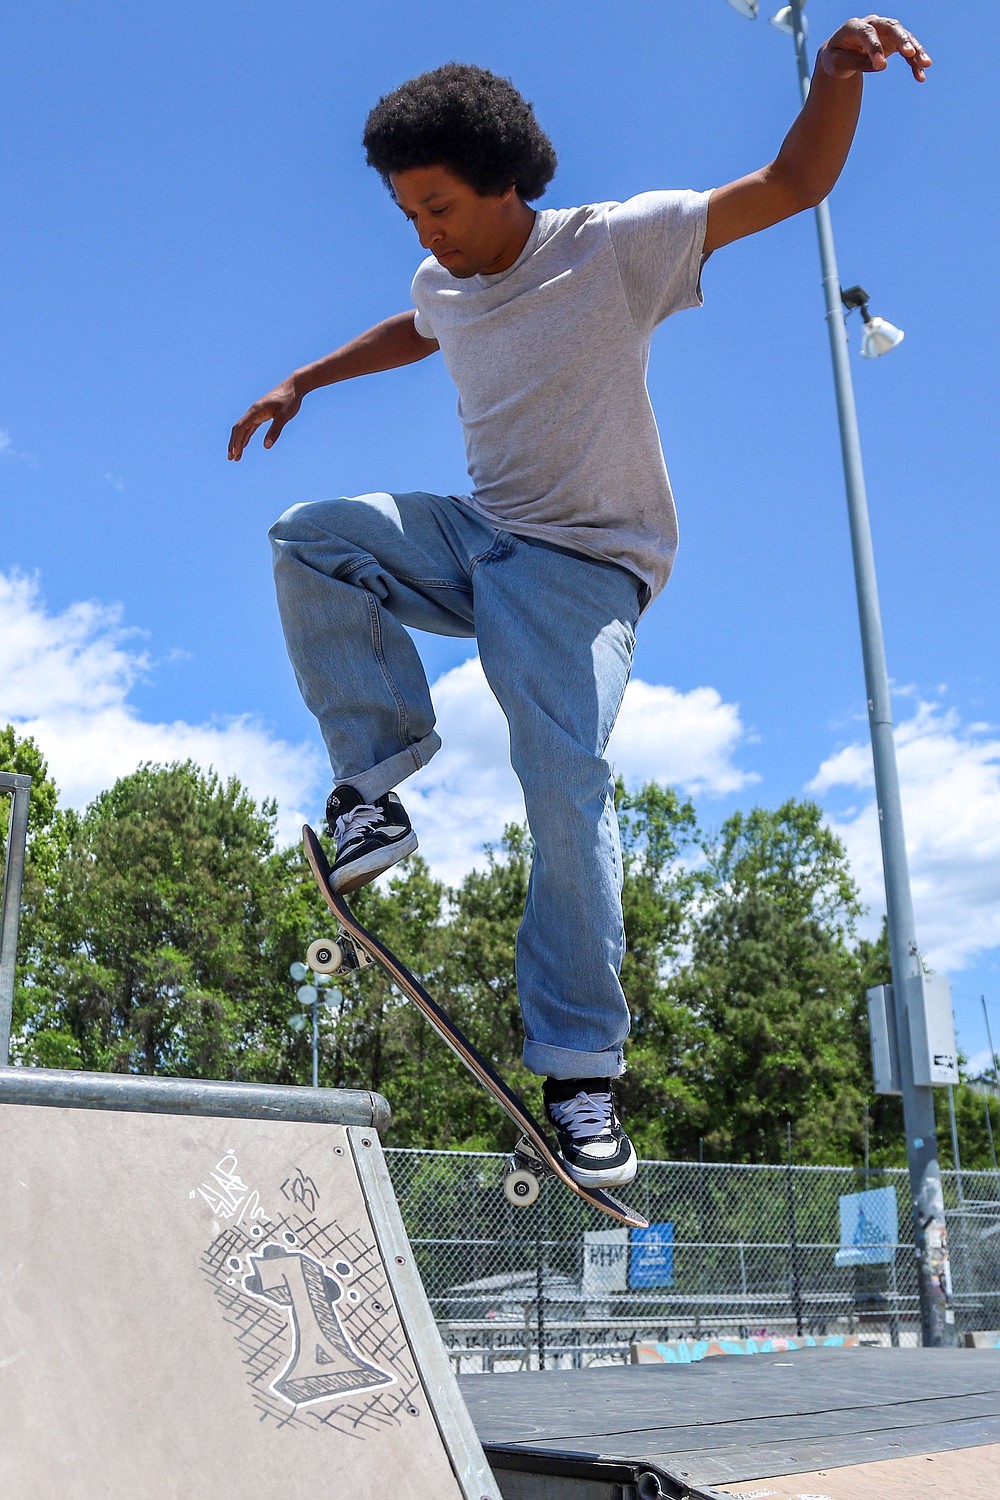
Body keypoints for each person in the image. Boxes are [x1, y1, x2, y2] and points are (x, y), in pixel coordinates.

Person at [229, 16, 930, 1189]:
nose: (427, 234)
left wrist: (829, 78)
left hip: (582, 570)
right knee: (312, 540)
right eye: (408, 213)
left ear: (508, 183)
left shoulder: (615, 247)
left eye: (441, 207)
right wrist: (307, 376)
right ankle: (375, 788)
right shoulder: (439, 278)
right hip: (478, 538)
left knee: (565, 793)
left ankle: (581, 1072)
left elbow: (790, 183)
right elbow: (421, 324)